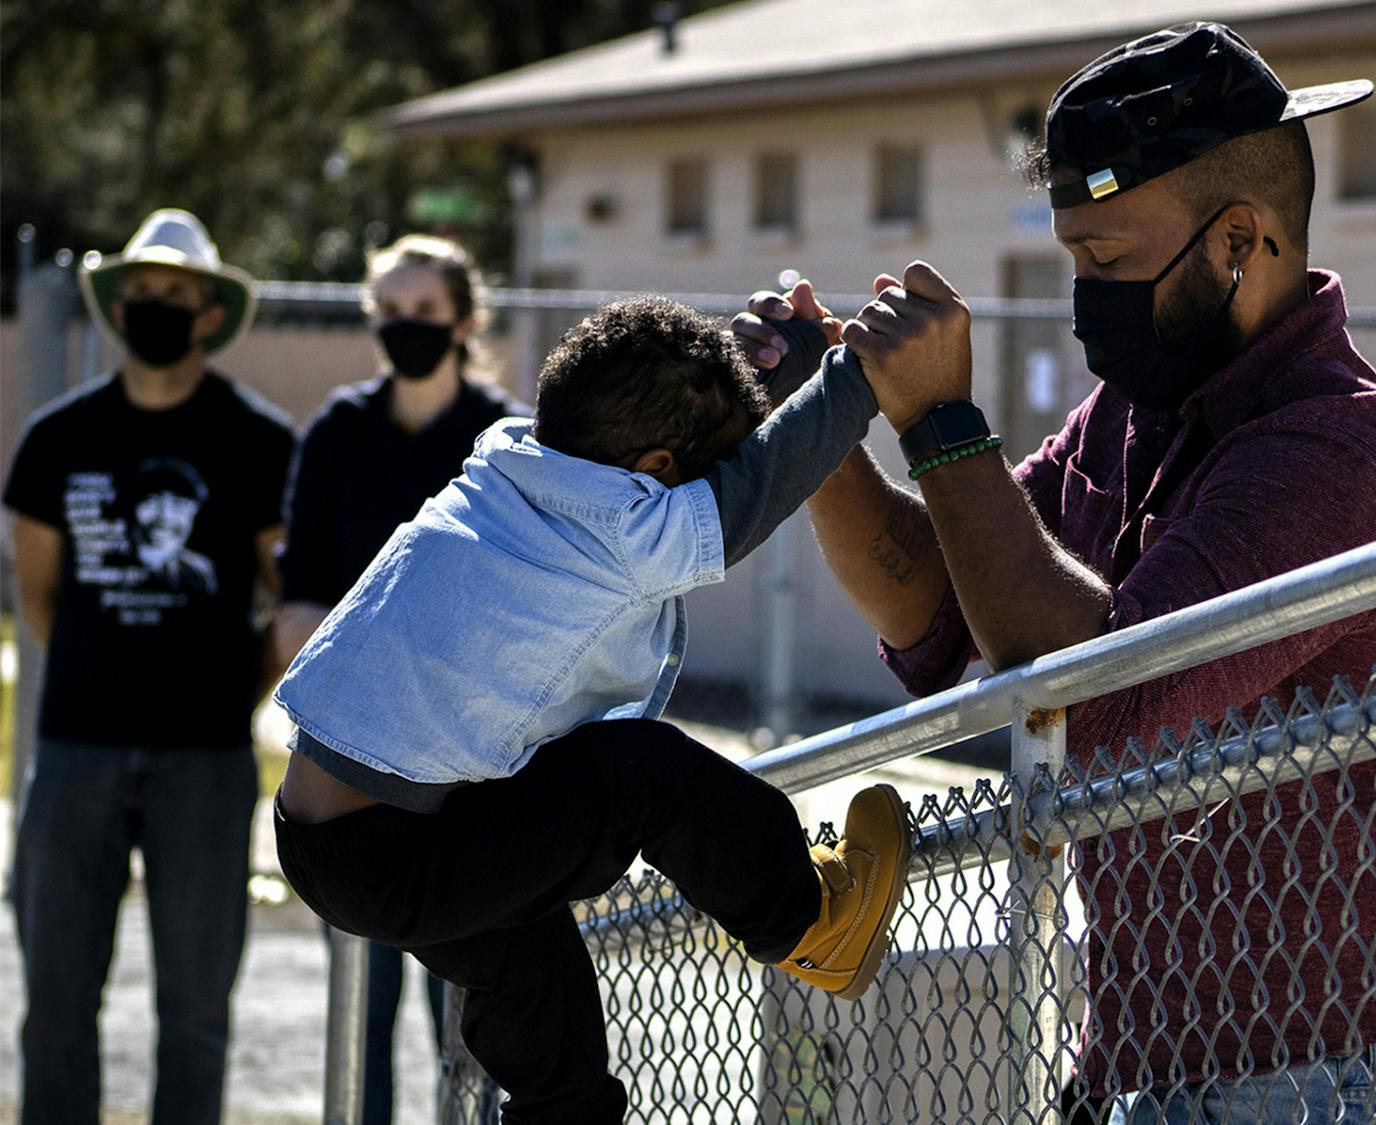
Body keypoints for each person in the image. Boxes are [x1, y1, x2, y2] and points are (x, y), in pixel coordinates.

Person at [733, 22, 1376, 1124]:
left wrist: (945, 423)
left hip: (1352, 1072)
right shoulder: (1128, 418)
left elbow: (1101, 709)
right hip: (1157, 1055)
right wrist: (819, 430)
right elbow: (943, 608)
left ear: (1242, 238)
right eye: (1073, 258)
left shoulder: (1332, 448)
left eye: (1110, 259)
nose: (1086, 291)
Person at [271, 295, 909, 1124]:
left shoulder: (510, 464)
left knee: (530, 969)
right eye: (694, 480)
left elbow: (679, 418)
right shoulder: (626, 525)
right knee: (640, 769)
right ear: (653, 473)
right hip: (399, 847)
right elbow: (758, 486)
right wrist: (859, 376)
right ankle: (811, 925)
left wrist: (773, 360)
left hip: (331, 829)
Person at [3, 208, 294, 1125]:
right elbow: (39, 597)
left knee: (197, 1012)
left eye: (176, 294)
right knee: (54, 1006)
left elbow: (282, 599)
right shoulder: (58, 439)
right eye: (141, 295)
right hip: (75, 753)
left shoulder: (259, 441)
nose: (156, 308)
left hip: (204, 762)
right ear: (116, 307)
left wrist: (225, 696)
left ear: (209, 313)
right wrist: (106, 678)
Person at [272, 233, 522, 1125]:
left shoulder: (504, 437)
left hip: (471, 760)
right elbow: (298, 601)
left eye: (426, 311)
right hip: (355, 758)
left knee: (469, 1006)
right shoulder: (338, 431)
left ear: (463, 319)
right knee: (362, 996)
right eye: (392, 310)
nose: (407, 326)